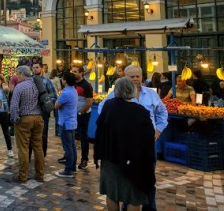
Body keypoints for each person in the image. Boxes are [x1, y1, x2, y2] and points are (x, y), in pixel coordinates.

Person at [99, 65, 168, 211]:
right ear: (125, 77)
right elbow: (101, 111)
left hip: (145, 148)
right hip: (120, 148)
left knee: (147, 182)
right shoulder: (114, 96)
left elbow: (162, 113)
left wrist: (158, 131)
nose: (135, 79)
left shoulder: (151, 94)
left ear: (142, 77)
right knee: (128, 186)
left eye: (138, 76)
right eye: (132, 76)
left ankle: (150, 208)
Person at [94, 78, 156, 211]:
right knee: (134, 197)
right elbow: (149, 136)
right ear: (132, 90)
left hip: (110, 156)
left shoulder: (109, 106)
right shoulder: (141, 111)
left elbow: (100, 127)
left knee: (112, 194)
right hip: (134, 161)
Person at [10, 65, 44, 184]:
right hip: (38, 118)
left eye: (17, 74)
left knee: (23, 148)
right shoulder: (38, 84)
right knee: (38, 147)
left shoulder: (20, 87)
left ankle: (23, 176)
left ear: (22, 74)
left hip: (25, 119)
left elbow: (14, 106)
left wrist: (14, 120)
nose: (17, 77)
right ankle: (40, 174)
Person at [54, 72, 78, 177]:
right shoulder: (74, 91)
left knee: (68, 147)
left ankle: (68, 170)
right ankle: (72, 167)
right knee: (72, 146)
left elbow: (57, 105)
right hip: (72, 121)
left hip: (65, 122)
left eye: (63, 79)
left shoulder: (66, 93)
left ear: (65, 81)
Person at [32, 62, 57, 157]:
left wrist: (47, 104)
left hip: (43, 111)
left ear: (41, 69)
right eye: (34, 67)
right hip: (32, 111)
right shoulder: (30, 81)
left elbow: (54, 96)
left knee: (43, 133)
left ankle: (42, 154)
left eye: (37, 67)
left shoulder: (46, 81)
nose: (35, 69)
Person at [71, 64, 94, 170]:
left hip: (83, 114)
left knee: (83, 137)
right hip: (72, 113)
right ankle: (69, 156)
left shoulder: (86, 86)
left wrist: (81, 113)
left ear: (81, 73)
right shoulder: (72, 84)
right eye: (73, 71)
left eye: (76, 71)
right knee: (70, 135)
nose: (74, 73)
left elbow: (89, 102)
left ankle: (84, 159)